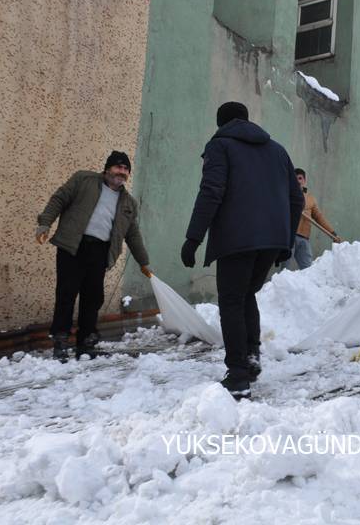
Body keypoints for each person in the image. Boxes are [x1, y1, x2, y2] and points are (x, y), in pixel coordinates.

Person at [182, 102, 304, 399]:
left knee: (232, 302)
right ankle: (250, 356)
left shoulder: (220, 146)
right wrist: (285, 240)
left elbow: (211, 191)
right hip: (271, 240)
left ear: (221, 123)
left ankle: (237, 374)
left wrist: (193, 239)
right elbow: (296, 199)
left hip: (236, 239)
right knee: (246, 295)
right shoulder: (277, 150)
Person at [36, 151, 152, 361]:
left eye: (125, 169)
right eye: (118, 167)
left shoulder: (128, 203)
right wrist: (45, 223)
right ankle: (60, 341)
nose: (122, 172)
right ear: (107, 168)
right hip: (73, 246)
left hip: (100, 251)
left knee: (93, 298)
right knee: (66, 294)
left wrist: (143, 262)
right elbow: (59, 199)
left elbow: (132, 234)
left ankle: (86, 343)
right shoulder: (84, 180)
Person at [282, 168, 341, 270]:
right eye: (295, 179)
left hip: (304, 239)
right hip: (290, 237)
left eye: (300, 178)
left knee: (308, 269)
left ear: (304, 181)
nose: (298, 181)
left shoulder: (310, 199)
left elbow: (319, 217)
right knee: (285, 269)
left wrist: (333, 233)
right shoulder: (287, 195)